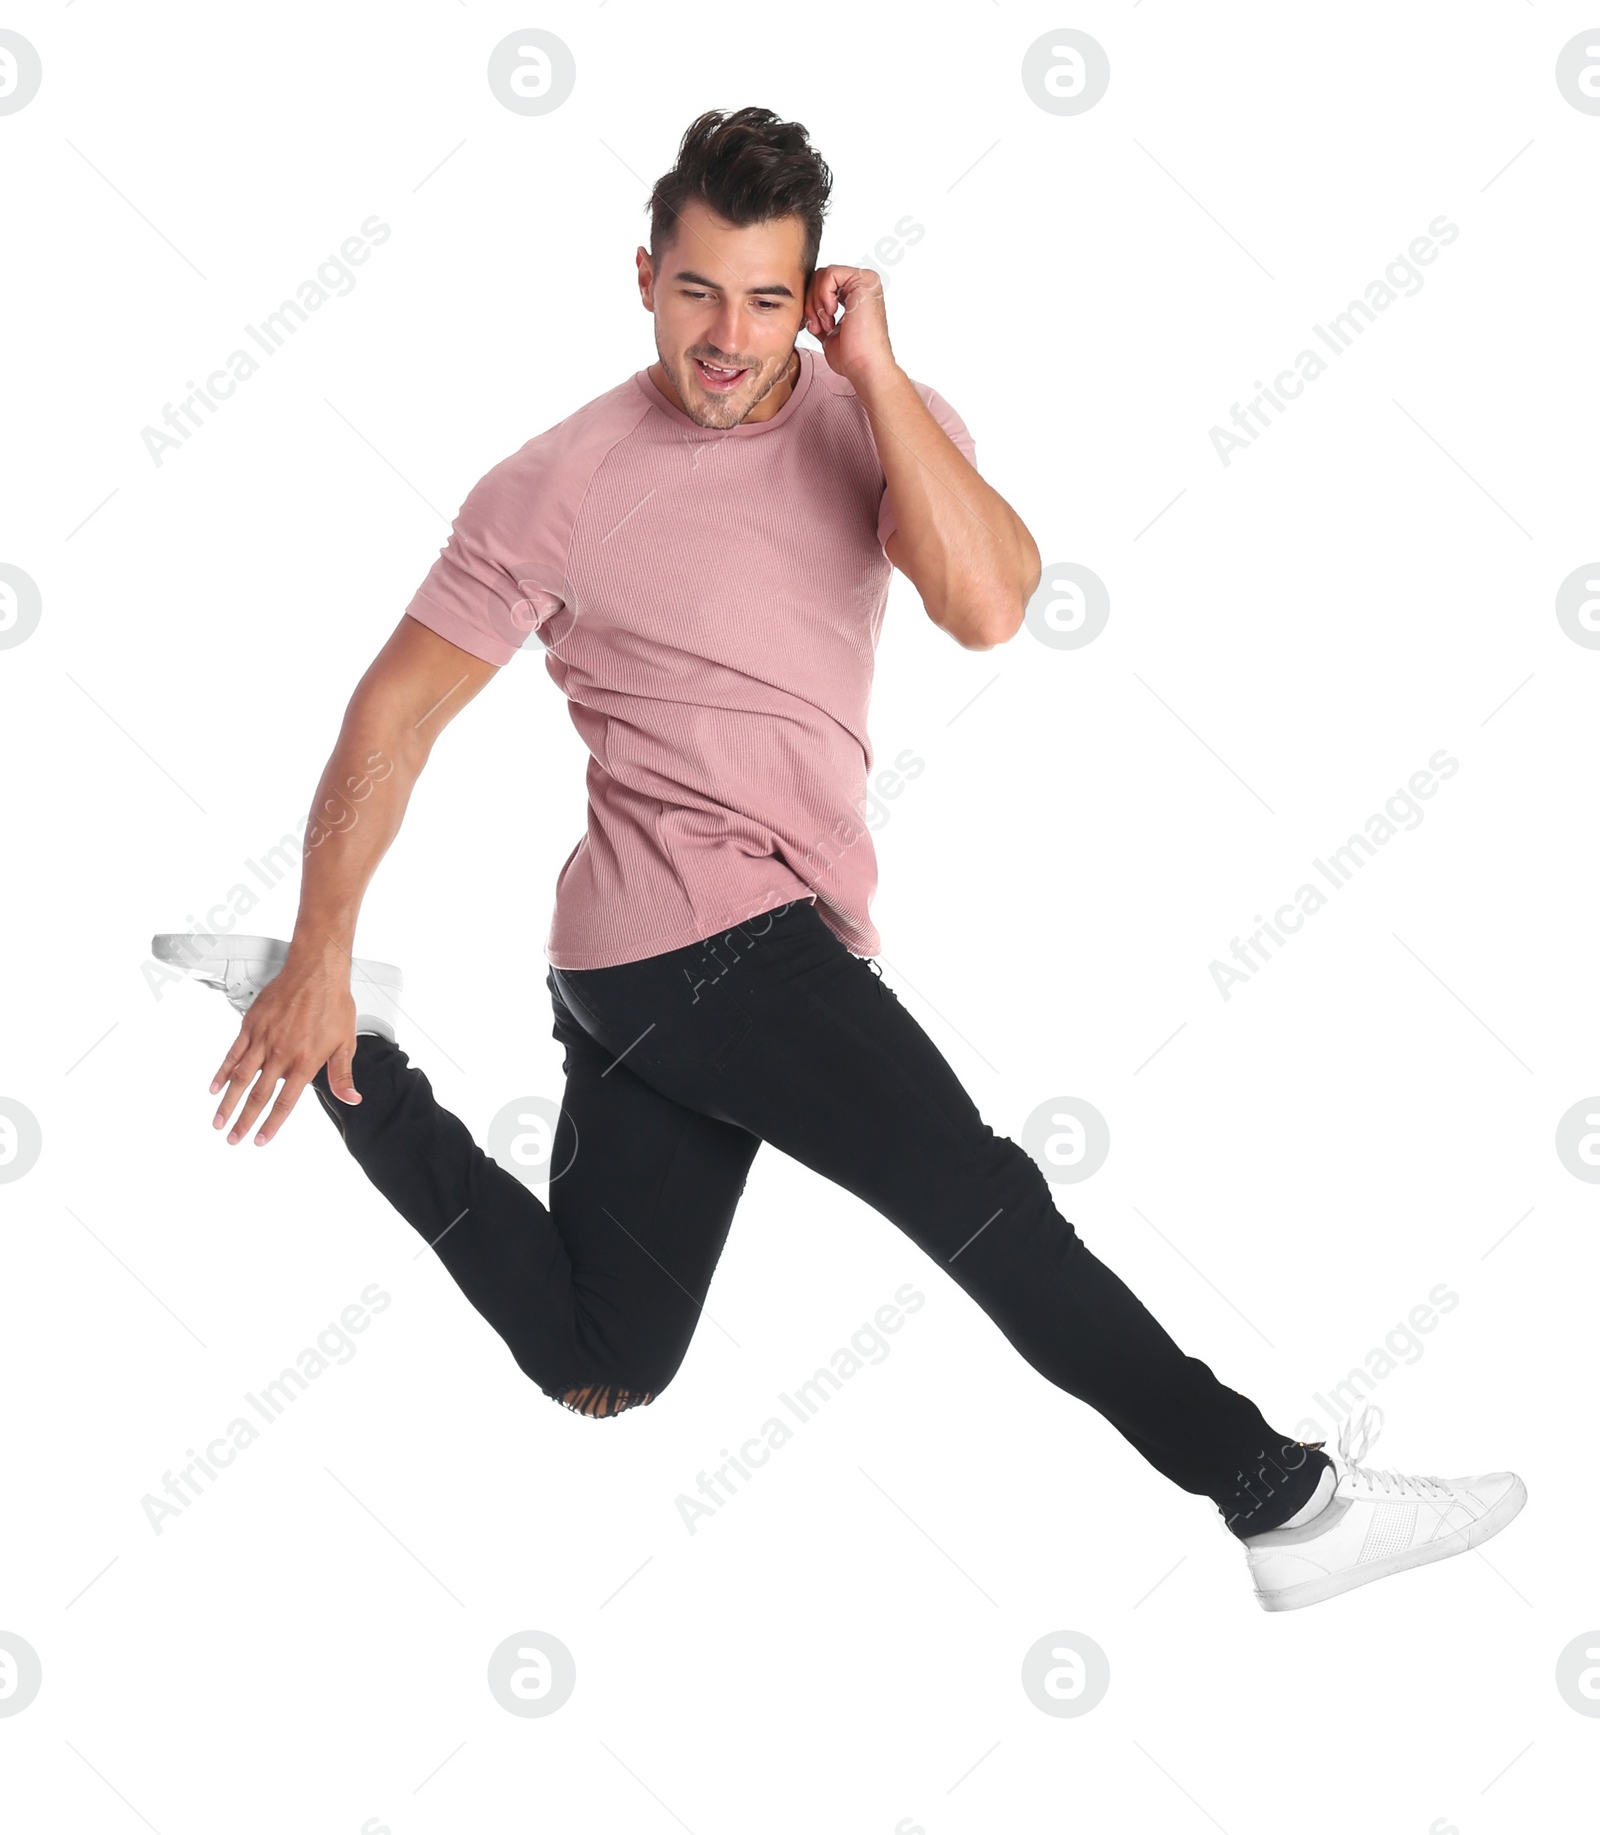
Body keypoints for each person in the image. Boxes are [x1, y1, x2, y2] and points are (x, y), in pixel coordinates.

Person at [154, 106, 1523, 1611]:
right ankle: (1282, 1498)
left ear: (815, 296)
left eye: (763, 298)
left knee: (605, 1361)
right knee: (986, 1200)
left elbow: (994, 603)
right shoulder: (553, 483)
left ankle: (362, 1059)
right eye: (696, 292)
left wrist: (872, 375)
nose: (726, 337)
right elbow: (393, 715)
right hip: (702, 945)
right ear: (643, 278)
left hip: (635, 969)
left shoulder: (881, 414)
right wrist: (329, 921)